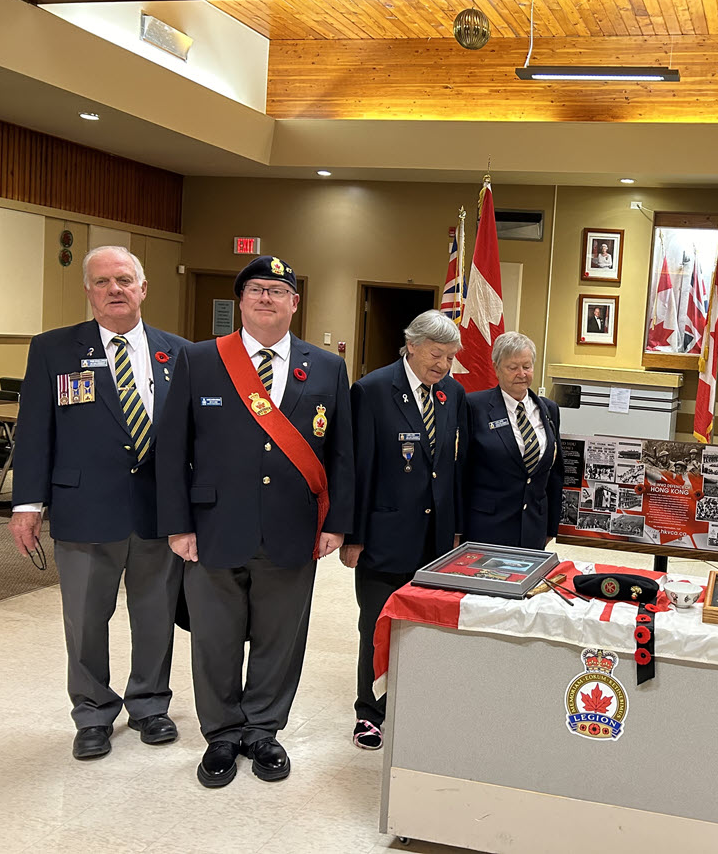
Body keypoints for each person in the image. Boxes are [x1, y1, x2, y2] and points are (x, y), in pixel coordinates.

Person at [157, 254, 353, 788]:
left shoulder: (328, 368)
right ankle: (221, 734)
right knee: (215, 638)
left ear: (294, 303)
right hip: (213, 527)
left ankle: (264, 730)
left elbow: (341, 454)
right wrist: (178, 525)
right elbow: (172, 448)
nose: (266, 297)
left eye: (277, 290)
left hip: (293, 528)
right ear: (241, 302)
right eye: (256, 289)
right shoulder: (199, 359)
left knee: (279, 637)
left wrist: (337, 522)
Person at [9, 245, 188, 761]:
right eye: (104, 281)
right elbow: (36, 432)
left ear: (143, 289)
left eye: (125, 280)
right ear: (88, 291)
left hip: (158, 512)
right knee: (86, 619)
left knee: (154, 615)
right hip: (84, 508)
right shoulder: (53, 350)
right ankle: (91, 712)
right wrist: (27, 504)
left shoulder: (177, 352)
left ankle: (151, 704)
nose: (115, 289)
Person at [340, 310, 468, 751]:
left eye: (450, 358)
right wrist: (353, 535)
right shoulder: (373, 391)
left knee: (422, 624)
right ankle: (369, 713)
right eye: (437, 354)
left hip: (435, 539)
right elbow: (358, 469)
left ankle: (407, 702)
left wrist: (456, 531)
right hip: (385, 534)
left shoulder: (451, 394)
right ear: (411, 344)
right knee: (376, 626)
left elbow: (453, 467)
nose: (443, 366)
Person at [463, 332, 564, 549]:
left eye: (527, 366)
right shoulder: (474, 407)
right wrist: (456, 529)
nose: (521, 374)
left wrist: (550, 528)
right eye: (513, 367)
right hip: (486, 528)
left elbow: (555, 474)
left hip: (533, 528)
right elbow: (460, 472)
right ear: (496, 368)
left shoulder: (549, 410)